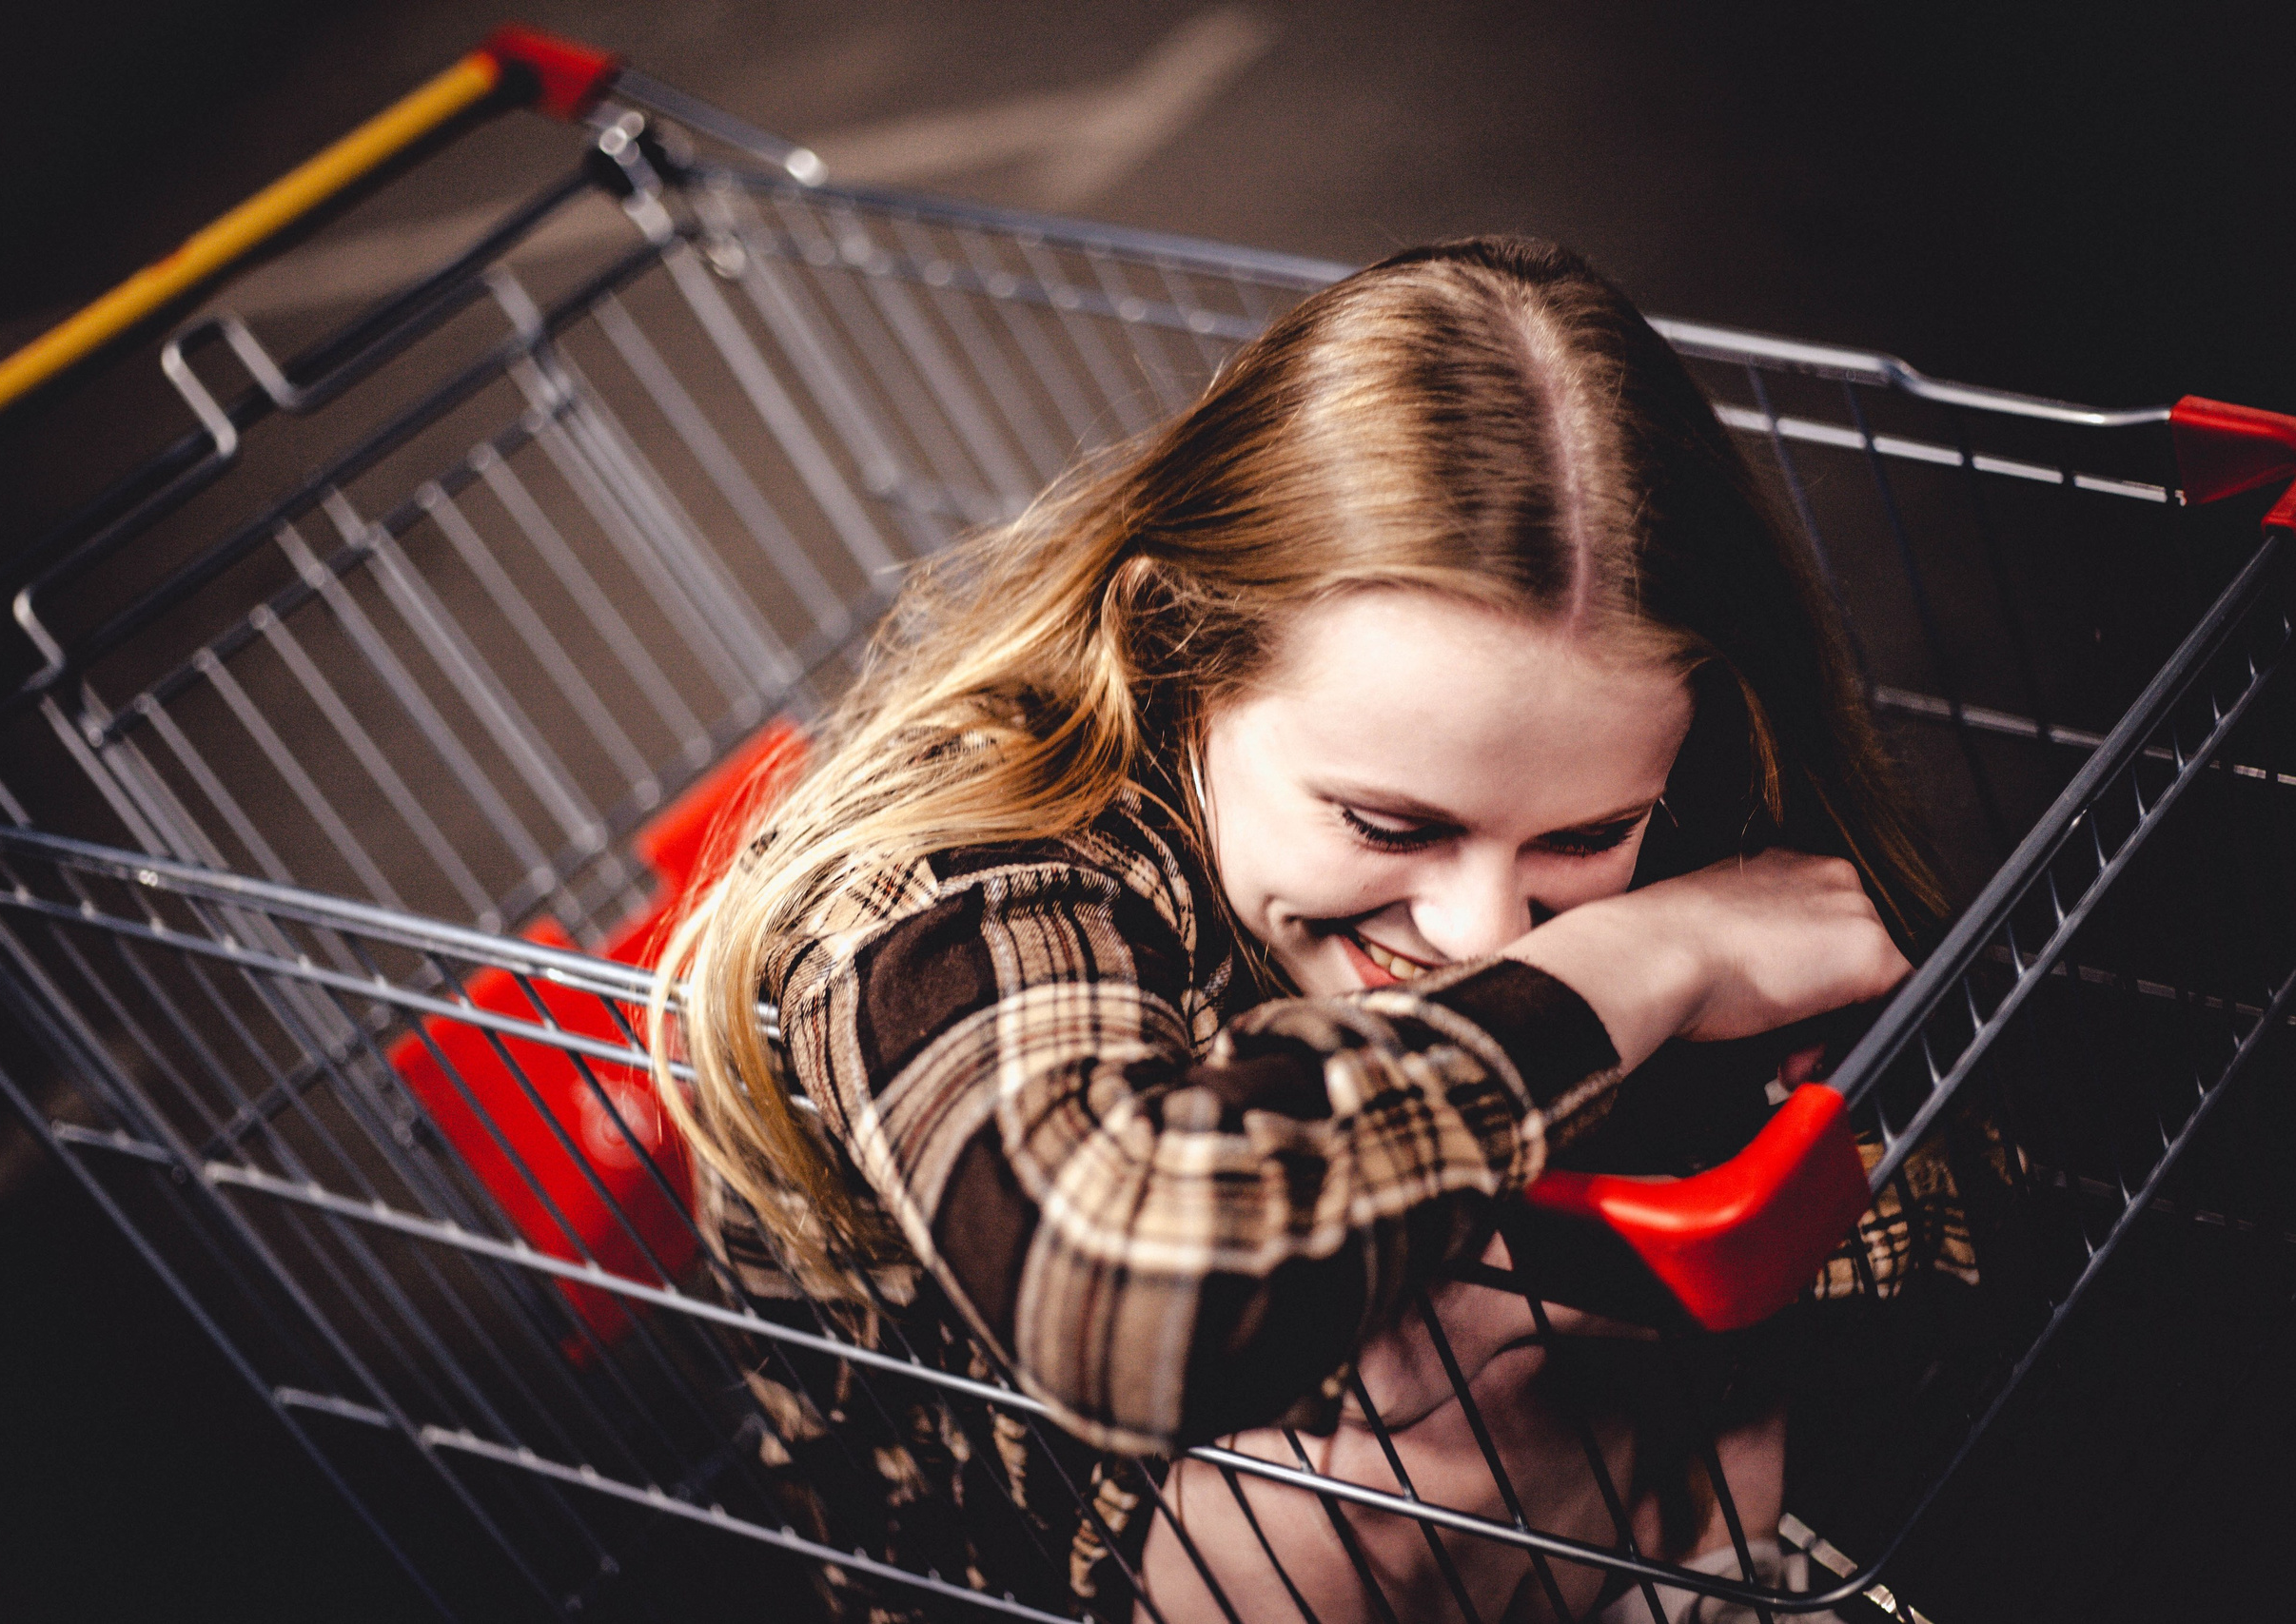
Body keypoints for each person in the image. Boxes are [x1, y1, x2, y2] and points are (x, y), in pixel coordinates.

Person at [650, 237, 1972, 1623]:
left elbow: (1928, 1243)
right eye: (1391, 829)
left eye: (1584, 838)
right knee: (1333, 1461)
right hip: (1037, 1545)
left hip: (1507, 1490)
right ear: (1176, 649)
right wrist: (1639, 958)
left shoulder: (1682, 779)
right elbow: (1116, 1286)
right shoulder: (960, 882)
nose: (1484, 927)